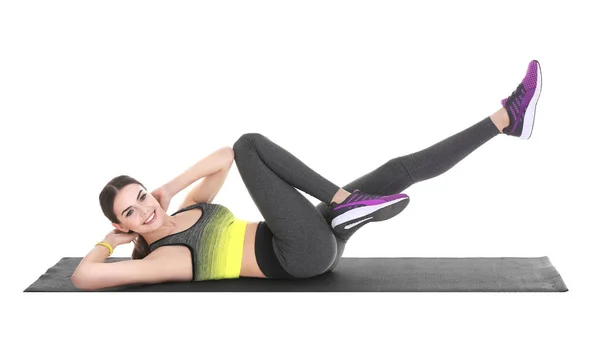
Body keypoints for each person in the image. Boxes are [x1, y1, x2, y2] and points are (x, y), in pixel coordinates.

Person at [71, 60, 543, 291]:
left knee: (397, 169)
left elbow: (221, 159)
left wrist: (168, 189)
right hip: (297, 255)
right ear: (126, 224)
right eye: (130, 212)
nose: (145, 209)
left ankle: (506, 120)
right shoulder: (161, 258)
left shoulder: (187, 207)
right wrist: (109, 241)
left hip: (309, 233)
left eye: (140, 196)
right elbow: (84, 278)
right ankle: (344, 204)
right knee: (251, 141)